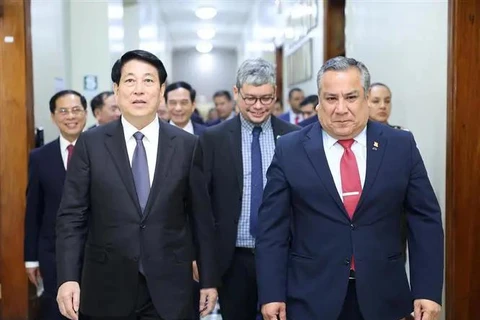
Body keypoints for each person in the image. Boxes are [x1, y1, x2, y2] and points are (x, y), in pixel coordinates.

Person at [255, 56, 444, 320]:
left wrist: (428, 290)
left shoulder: (400, 145)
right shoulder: (290, 149)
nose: (341, 109)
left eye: (351, 97)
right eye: (331, 99)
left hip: (385, 297)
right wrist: (272, 293)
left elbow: (425, 220)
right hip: (310, 297)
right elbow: (271, 229)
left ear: (366, 98)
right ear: (319, 102)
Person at [56, 49, 219, 320]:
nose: (139, 90)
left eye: (148, 81)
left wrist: (209, 279)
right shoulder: (91, 144)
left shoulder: (187, 146)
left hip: (171, 290)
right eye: (130, 81)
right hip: (105, 287)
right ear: (117, 90)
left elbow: (201, 218)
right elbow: (72, 217)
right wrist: (68, 278)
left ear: (161, 89)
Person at [200, 58, 298, 320]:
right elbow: (202, 206)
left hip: (283, 256)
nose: (258, 106)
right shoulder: (213, 139)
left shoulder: (293, 137)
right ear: (236, 93)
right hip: (234, 259)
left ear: (275, 94)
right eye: (250, 98)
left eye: (266, 98)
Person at [24, 90, 88, 320]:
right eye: (63, 111)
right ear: (53, 117)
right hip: (53, 253)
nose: (70, 116)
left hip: (96, 254)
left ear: (86, 113)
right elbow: (33, 210)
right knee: (57, 311)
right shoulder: (40, 157)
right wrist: (31, 258)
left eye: (76, 110)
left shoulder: (103, 151)